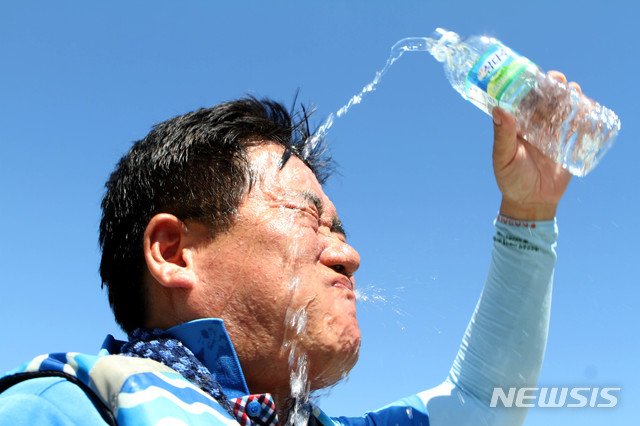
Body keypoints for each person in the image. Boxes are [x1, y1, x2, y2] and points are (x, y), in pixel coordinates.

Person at [0, 72, 576, 425]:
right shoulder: (59, 412)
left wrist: (529, 215)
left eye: (342, 231)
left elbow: (481, 406)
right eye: (309, 217)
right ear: (174, 252)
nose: (349, 257)